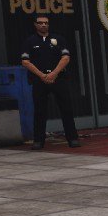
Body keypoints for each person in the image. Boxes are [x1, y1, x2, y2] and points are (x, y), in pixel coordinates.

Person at [16, 14, 81, 148]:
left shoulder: (59, 39)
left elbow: (66, 58)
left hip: (59, 79)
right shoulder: (30, 41)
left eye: (46, 23)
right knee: (40, 111)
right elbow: (25, 62)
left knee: (66, 109)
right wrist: (42, 75)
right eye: (40, 23)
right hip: (39, 80)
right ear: (35, 24)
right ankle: (38, 141)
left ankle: (72, 138)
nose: (44, 25)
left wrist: (54, 74)